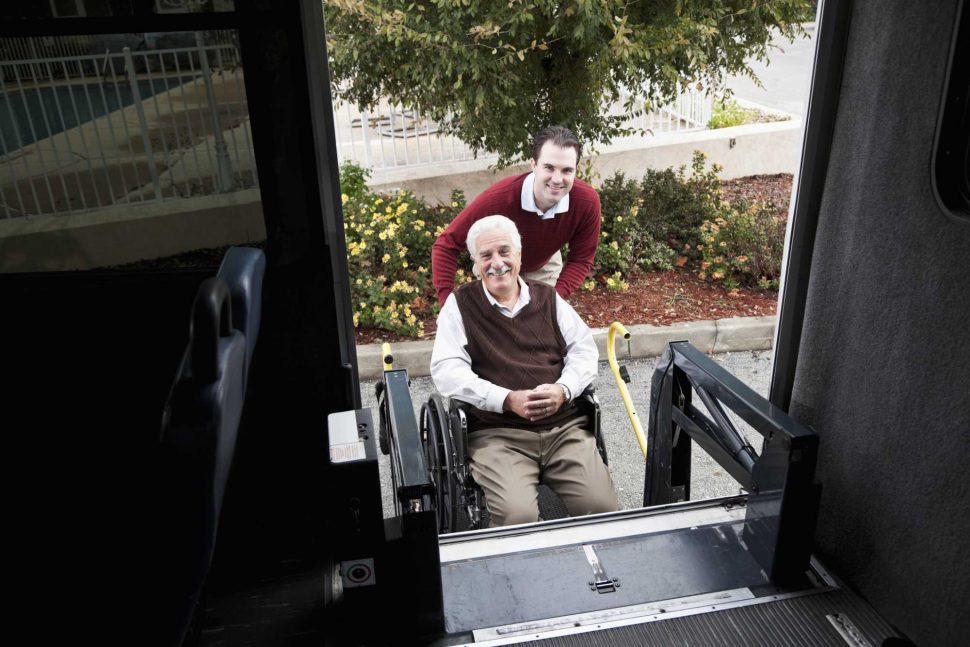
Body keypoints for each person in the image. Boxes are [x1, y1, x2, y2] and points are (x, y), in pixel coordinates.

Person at [430, 215, 618, 527]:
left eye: (505, 252)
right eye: (486, 256)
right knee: (519, 519)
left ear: (519, 255)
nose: (497, 263)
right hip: (498, 435)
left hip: (563, 430)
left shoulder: (547, 298)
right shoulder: (459, 306)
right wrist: (505, 399)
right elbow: (447, 371)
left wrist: (564, 389)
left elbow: (584, 350)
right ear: (475, 264)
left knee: (603, 510)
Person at [431, 126, 601, 305]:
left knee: (539, 323)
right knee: (500, 324)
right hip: (498, 263)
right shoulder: (498, 200)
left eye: (567, 170)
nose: (557, 179)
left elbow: (581, 259)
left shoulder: (586, 202)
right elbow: (445, 245)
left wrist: (553, 301)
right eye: (549, 168)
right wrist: (447, 306)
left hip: (543, 265)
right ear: (534, 165)